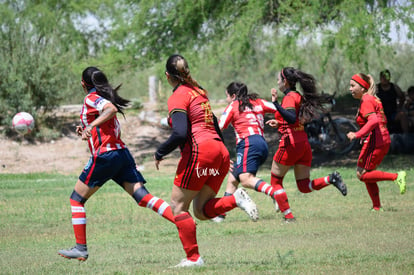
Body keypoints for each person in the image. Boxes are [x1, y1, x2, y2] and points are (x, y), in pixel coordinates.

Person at [58, 67, 175, 261]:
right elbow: (106, 120)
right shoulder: (103, 99)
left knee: (76, 199)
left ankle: (80, 248)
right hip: (121, 154)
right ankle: (180, 220)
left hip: (106, 156)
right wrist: (86, 130)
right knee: (142, 197)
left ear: (83, 84)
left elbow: (110, 111)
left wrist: (90, 126)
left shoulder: (91, 98)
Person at [154, 54, 258, 268]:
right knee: (201, 211)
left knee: (178, 206)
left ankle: (194, 259)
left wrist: (160, 151)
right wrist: (221, 155)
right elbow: (214, 125)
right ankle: (235, 199)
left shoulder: (179, 95)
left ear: (167, 76)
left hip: (200, 152)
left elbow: (180, 133)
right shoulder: (199, 91)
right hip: (218, 151)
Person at [266, 67, 348, 223]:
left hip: (290, 144)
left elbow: (290, 118)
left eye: (278, 80)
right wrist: (279, 123)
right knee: (303, 186)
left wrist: (276, 103)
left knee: (275, 182)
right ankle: (331, 179)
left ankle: (289, 217)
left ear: (285, 81)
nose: (277, 82)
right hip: (303, 143)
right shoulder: (298, 96)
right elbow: (295, 120)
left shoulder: (289, 97)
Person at [212, 82, 279, 223]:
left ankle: (275, 193)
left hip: (248, 143)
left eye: (227, 97)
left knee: (245, 179)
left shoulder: (233, 105)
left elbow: (220, 127)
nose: (226, 100)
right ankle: (220, 215)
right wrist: (278, 117)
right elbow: (278, 109)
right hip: (261, 143)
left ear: (234, 96)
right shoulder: (258, 102)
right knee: (233, 179)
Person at [347, 73, 407, 211]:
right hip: (380, 139)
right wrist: (364, 135)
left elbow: (374, 121)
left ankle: (397, 176)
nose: (350, 89)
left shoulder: (366, 100)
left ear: (362, 87)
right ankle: (376, 207)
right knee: (368, 173)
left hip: (376, 140)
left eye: (353, 85)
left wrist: (357, 134)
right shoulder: (371, 98)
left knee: (361, 174)